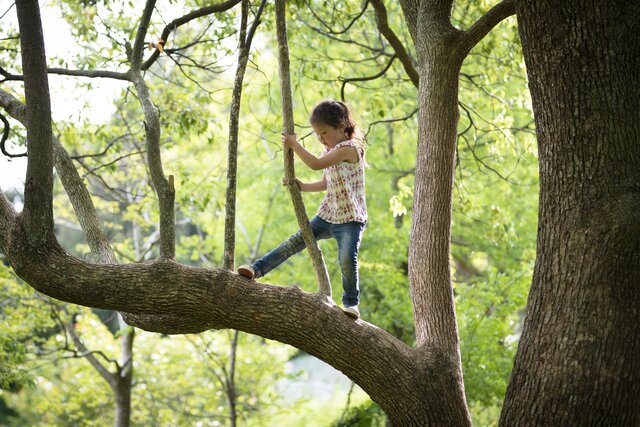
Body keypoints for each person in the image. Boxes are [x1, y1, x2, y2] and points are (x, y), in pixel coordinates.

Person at [238, 100, 367, 319]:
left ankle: (351, 303)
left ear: (341, 126)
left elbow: (316, 164)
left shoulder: (349, 149)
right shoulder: (332, 149)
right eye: (317, 134)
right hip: (329, 214)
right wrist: (302, 187)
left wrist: (294, 145)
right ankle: (256, 269)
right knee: (295, 242)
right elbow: (326, 183)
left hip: (350, 219)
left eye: (324, 132)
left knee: (347, 258)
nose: (321, 139)